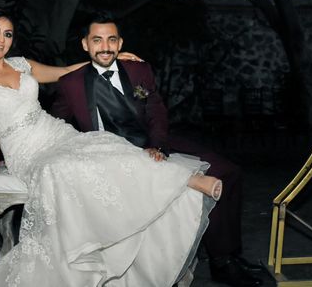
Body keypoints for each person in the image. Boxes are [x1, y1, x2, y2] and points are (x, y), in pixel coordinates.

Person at [0, 8, 221, 287]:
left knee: (103, 144)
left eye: (8, 34)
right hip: (27, 151)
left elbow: (65, 71)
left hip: (54, 133)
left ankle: (185, 181)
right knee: (61, 170)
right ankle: (98, 248)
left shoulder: (22, 65)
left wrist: (111, 57)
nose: (2, 40)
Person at [52, 15, 267, 287]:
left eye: (111, 39)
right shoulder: (70, 84)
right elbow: (57, 125)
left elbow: (155, 111)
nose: (105, 46)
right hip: (111, 155)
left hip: (153, 142)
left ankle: (224, 259)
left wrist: (159, 145)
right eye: (97, 40)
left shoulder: (138, 71)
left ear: (120, 43)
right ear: (85, 45)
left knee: (228, 172)